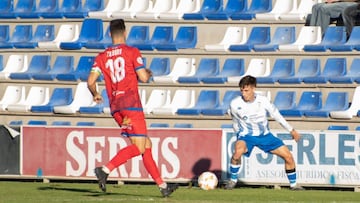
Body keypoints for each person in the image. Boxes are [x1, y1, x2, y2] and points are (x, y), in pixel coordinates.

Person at [87, 19, 178, 197]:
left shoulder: (101, 57)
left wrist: (95, 94)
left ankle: (163, 186)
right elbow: (143, 77)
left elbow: (90, 82)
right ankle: (105, 170)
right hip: (131, 104)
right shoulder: (131, 52)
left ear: (109, 34)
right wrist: (149, 72)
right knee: (139, 147)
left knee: (146, 144)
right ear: (125, 32)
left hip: (116, 107)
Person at [224, 75, 303, 190]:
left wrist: (291, 130)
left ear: (253, 88)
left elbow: (277, 116)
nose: (243, 94)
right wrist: (239, 136)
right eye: (242, 90)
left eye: (246, 90)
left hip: (265, 136)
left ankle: (294, 185)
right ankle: (233, 180)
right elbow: (235, 122)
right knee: (237, 153)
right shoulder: (235, 104)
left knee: (288, 157)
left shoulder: (263, 100)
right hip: (247, 136)